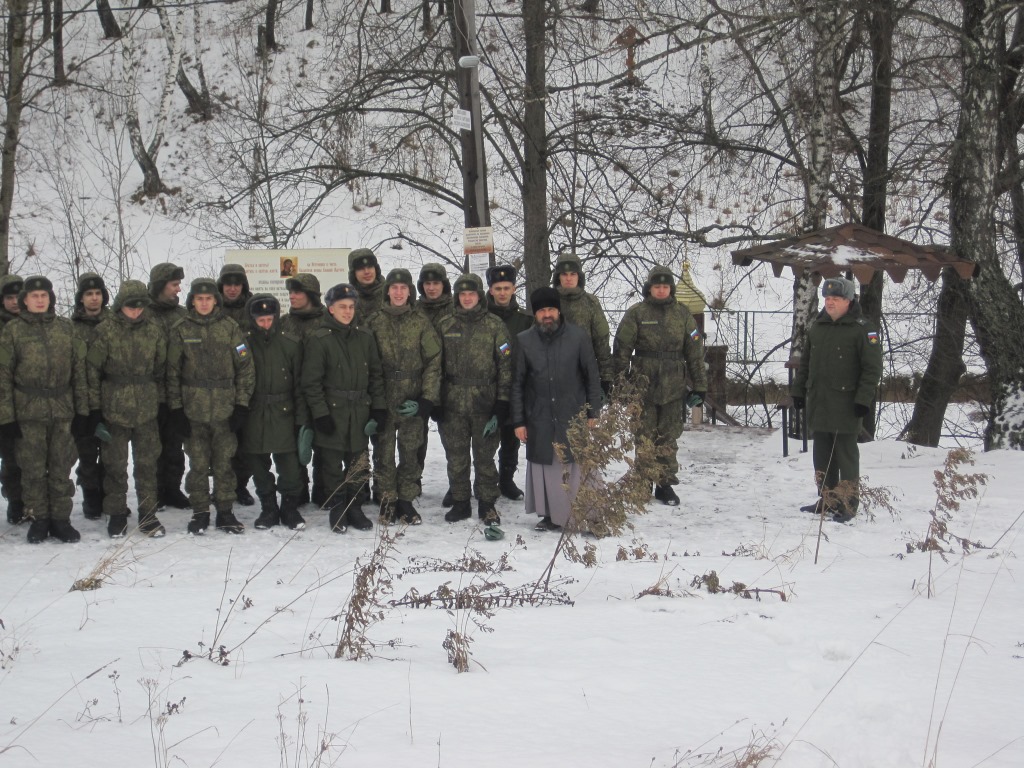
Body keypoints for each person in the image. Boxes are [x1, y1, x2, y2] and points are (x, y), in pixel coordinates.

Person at [0, 276, 89, 543]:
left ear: (51, 299)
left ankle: (61, 519)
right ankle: (39, 518)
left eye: (44, 295)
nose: (40, 300)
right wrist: (6, 417)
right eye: (34, 296)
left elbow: (79, 371)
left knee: (61, 466)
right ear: (24, 300)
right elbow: (2, 375)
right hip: (27, 411)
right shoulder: (12, 331)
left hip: (63, 409)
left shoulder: (66, 329)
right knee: (33, 469)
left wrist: (83, 412)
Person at [612, 266, 707, 507]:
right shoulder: (637, 313)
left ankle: (665, 485)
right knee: (644, 435)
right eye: (657, 287)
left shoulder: (683, 315)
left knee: (668, 436)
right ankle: (643, 481)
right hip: (643, 386)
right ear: (650, 288)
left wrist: (699, 386)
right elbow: (621, 350)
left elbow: (695, 353)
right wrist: (622, 385)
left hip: (674, 386)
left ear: (671, 289)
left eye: (665, 287)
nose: (661, 290)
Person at [167, 277, 255, 535]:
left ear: (215, 300)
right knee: (197, 463)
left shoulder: (229, 328)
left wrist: (241, 404)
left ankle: (225, 511)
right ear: (192, 301)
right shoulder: (181, 329)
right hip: (193, 410)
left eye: (208, 298)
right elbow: (171, 372)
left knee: (224, 463)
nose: (204, 303)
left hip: (225, 409)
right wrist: (175, 408)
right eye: (199, 299)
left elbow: (246, 367)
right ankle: (200, 511)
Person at [790, 277, 883, 523]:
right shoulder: (818, 327)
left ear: (848, 301)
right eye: (827, 298)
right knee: (821, 455)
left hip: (846, 404)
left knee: (845, 456)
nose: (829, 302)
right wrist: (798, 391)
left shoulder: (864, 329)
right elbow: (806, 363)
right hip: (820, 402)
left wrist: (863, 399)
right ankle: (827, 499)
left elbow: (872, 369)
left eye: (836, 298)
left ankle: (848, 503)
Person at [511, 286, 601, 531]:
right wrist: (518, 421)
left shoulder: (578, 337)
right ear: (535, 314)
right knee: (546, 466)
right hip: (539, 416)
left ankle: (586, 513)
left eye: (551, 309)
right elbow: (517, 383)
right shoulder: (524, 340)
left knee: (576, 465)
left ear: (559, 311)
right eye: (542, 311)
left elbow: (592, 377)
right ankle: (550, 515)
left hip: (573, 414)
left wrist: (593, 412)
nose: (547, 314)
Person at [302, 284, 386, 533]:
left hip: (360, 410)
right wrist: (320, 413)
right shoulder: (320, 339)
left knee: (359, 462)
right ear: (331, 309)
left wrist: (378, 408)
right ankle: (338, 505)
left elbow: (376, 376)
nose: (348, 312)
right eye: (342, 307)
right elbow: (311, 383)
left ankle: (355, 506)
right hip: (333, 411)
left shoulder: (365, 337)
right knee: (331, 463)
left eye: (351, 307)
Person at [86, 280, 167, 538]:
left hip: (146, 409)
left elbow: (161, 369)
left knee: (147, 465)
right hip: (114, 410)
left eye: (141, 306)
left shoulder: (153, 331)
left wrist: (162, 403)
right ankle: (117, 514)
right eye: (131, 306)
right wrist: (95, 410)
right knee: (114, 466)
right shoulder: (104, 331)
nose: (136, 311)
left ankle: (148, 515)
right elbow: (92, 372)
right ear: (121, 305)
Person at [365, 268, 441, 524]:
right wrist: (372, 402)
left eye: (403, 288)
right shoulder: (374, 321)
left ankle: (406, 501)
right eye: (394, 288)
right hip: (383, 397)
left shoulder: (420, 322)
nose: (398, 293)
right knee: (383, 454)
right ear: (387, 291)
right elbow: (366, 363)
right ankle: (387, 500)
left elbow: (433, 361)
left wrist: (425, 400)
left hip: (412, 396)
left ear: (410, 291)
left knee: (411, 452)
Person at [437, 273, 512, 525]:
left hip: (485, 401)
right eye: (462, 294)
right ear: (457, 296)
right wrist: (435, 400)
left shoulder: (494, 325)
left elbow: (505, 365)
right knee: (456, 456)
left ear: (480, 296)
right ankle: (460, 502)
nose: (467, 298)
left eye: (472, 294)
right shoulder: (445, 324)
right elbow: (434, 365)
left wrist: (502, 403)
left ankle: (487, 503)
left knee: (485, 456)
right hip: (452, 402)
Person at [241, 295, 308, 531]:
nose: (266, 324)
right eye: (261, 320)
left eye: (270, 319)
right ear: (253, 320)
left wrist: (301, 419)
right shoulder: (243, 344)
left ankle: (289, 508)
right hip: (254, 413)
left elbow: (300, 385)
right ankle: (268, 508)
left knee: (289, 468)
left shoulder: (290, 343)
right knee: (259, 466)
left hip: (284, 413)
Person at [485, 264, 532, 501]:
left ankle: (506, 480)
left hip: (515, 388)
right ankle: (483, 482)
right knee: (485, 441)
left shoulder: (525, 321)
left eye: (506, 288)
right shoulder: (481, 317)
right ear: (490, 290)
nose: (502, 293)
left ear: (514, 289)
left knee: (511, 439)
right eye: (497, 288)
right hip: (486, 388)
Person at [279, 272, 327, 505]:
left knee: (324, 444)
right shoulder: (284, 323)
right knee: (294, 443)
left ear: (310, 295)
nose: (292, 297)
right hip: (292, 395)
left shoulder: (328, 321)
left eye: (297, 292)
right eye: (290, 292)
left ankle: (323, 489)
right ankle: (297, 492)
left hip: (324, 393)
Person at [147, 262, 190, 510]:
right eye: (174, 285)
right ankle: (152, 491)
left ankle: (172, 489)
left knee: (174, 447)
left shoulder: (183, 316)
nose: (178, 289)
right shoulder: (142, 314)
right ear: (161, 285)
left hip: (176, 395)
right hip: (148, 396)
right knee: (149, 449)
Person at [71, 272, 112, 521]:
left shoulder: (113, 325)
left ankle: (110, 496)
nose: (94, 298)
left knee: (111, 453)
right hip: (82, 400)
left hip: (111, 400)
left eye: (97, 294)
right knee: (87, 453)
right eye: (89, 294)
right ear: (81, 298)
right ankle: (90, 496)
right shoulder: (71, 328)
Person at [217, 263, 256, 506]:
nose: (232, 289)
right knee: (220, 444)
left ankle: (240, 485)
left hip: (247, 383)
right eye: (228, 284)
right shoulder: (212, 308)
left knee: (245, 444)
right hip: (216, 388)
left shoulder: (252, 309)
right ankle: (221, 487)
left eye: (237, 284)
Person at [552, 252, 614, 396]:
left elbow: (602, 343)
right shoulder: (548, 301)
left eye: (573, 274)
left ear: (579, 276)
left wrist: (606, 379)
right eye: (564, 274)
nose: (568, 279)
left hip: (584, 377)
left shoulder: (591, 303)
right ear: (558, 277)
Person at [0, 273, 24, 524]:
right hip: (5, 402)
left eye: (19, 296)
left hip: (32, 402)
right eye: (9, 297)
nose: (15, 302)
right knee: (10, 456)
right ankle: (16, 501)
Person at [348, 248, 385, 322]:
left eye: (370, 267)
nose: (367, 272)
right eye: (361, 268)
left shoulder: (391, 294)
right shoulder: (347, 298)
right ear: (353, 273)